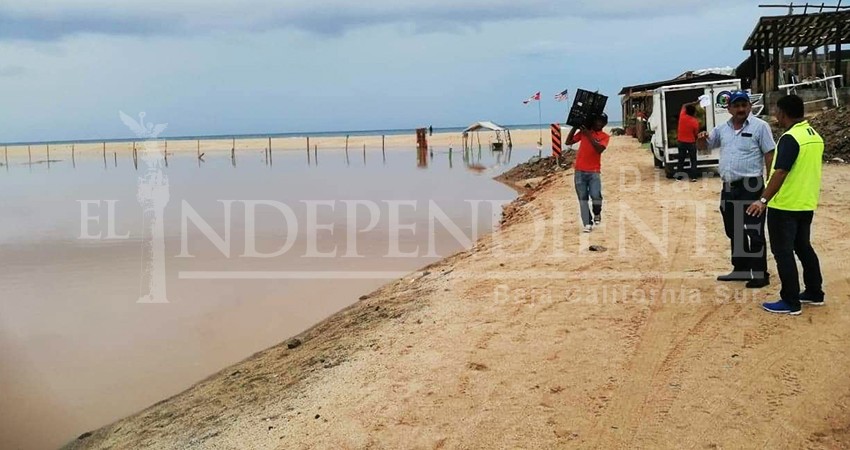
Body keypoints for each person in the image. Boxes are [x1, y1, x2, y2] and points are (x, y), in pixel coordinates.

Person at [745, 94, 825, 315]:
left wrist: (763, 200)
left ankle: (790, 301)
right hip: (805, 203)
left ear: (783, 112)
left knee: (783, 252)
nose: (775, 116)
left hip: (786, 205)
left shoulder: (790, 138)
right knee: (803, 247)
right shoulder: (813, 135)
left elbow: (781, 171)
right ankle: (814, 292)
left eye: (776, 112)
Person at [697, 91, 775, 288]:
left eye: (744, 105)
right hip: (729, 188)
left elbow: (769, 155)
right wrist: (701, 138)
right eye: (736, 106)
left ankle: (759, 274)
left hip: (752, 186)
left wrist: (769, 185)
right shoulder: (722, 129)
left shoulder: (760, 127)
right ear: (729, 108)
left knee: (753, 230)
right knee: (733, 230)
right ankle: (740, 269)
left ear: (749, 106)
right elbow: (704, 147)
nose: (741, 109)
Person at [566, 113, 610, 233]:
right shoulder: (584, 133)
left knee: (596, 196)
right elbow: (568, 142)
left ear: (604, 124)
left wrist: (588, 135)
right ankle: (587, 223)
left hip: (594, 171)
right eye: (596, 121)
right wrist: (575, 126)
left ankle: (597, 213)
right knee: (582, 199)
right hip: (579, 170)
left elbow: (599, 149)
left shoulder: (604, 136)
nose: (598, 123)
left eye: (601, 122)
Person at [676, 102, 701, 182]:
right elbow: (696, 133)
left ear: (686, 111)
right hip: (691, 143)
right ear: (694, 113)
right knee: (693, 160)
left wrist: (695, 102)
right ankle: (693, 177)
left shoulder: (682, 116)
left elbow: (683, 105)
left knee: (681, 159)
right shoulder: (695, 121)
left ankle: (679, 177)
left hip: (681, 142)